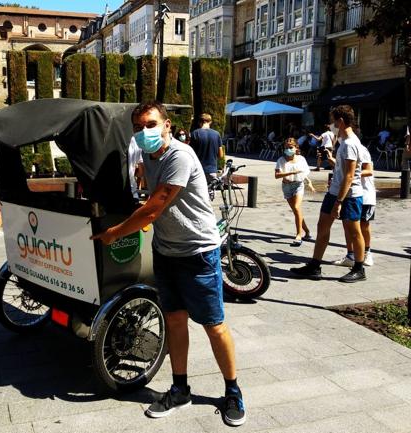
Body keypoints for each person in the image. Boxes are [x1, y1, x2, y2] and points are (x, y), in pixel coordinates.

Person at [91, 102, 245, 426]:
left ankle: (233, 391)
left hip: (198, 253)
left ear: (167, 125)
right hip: (166, 252)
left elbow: (152, 208)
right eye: (138, 126)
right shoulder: (148, 155)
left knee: (213, 325)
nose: (144, 132)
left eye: (150, 124)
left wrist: (114, 234)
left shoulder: (180, 156)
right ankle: (180, 390)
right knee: (175, 321)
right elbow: (150, 200)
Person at [290, 105, 366, 283]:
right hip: (334, 192)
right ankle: (314, 266)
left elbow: (350, 175)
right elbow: (343, 170)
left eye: (332, 120)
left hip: (349, 195)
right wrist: (333, 162)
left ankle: (359, 268)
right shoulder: (343, 141)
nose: (330, 124)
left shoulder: (350, 143)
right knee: (322, 226)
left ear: (340, 121)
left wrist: (339, 201)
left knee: (354, 232)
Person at [331, 141, 376, 267]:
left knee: (364, 225)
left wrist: (351, 175)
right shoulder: (343, 148)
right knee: (348, 225)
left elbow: (369, 171)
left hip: (365, 194)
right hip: (349, 194)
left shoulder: (360, 149)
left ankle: (367, 253)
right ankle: (350, 255)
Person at [275, 138, 314, 246]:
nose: (288, 149)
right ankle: (307, 231)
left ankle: (298, 235)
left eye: (290, 147)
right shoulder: (281, 160)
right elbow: (277, 175)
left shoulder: (301, 159)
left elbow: (303, 173)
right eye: (286, 147)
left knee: (297, 208)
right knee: (297, 211)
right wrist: (290, 173)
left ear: (296, 148)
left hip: (298, 185)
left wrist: (309, 183)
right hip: (286, 186)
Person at [189, 113, 225, 183]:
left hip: (198, 170)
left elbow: (190, 153)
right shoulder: (216, 134)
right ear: (210, 122)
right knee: (211, 192)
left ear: (199, 122)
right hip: (212, 170)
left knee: (199, 192)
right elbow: (221, 155)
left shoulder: (195, 133)